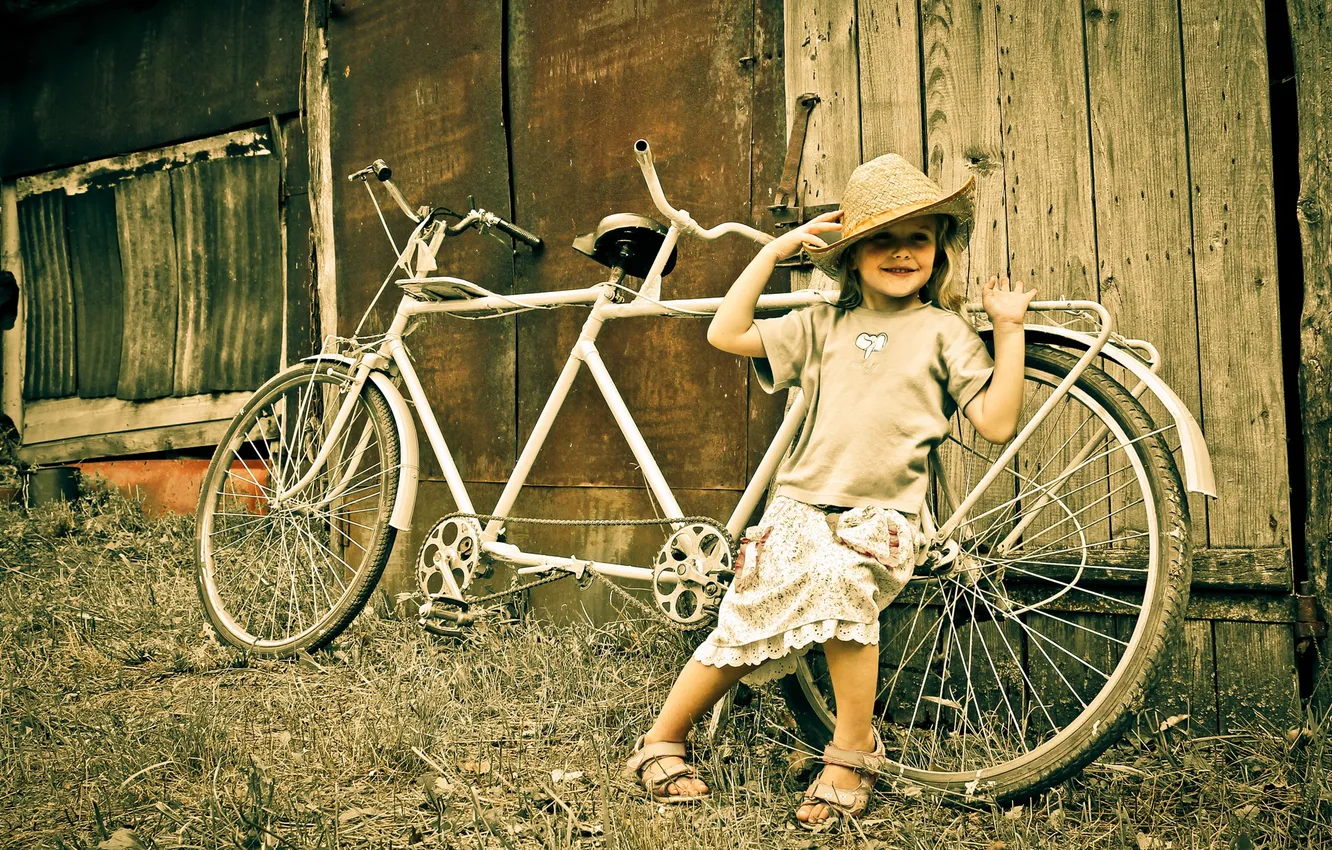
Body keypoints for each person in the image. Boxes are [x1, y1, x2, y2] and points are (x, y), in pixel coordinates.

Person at [622, 153, 1037, 831]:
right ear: (850, 257)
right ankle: (662, 738)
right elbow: (725, 332)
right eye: (882, 238)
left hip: (882, 517)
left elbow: (994, 421)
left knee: (844, 583)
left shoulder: (945, 333)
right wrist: (777, 251)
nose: (903, 252)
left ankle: (849, 753)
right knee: (744, 618)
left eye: (919, 239)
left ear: (937, 253)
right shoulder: (821, 324)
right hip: (797, 508)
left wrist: (1010, 327)